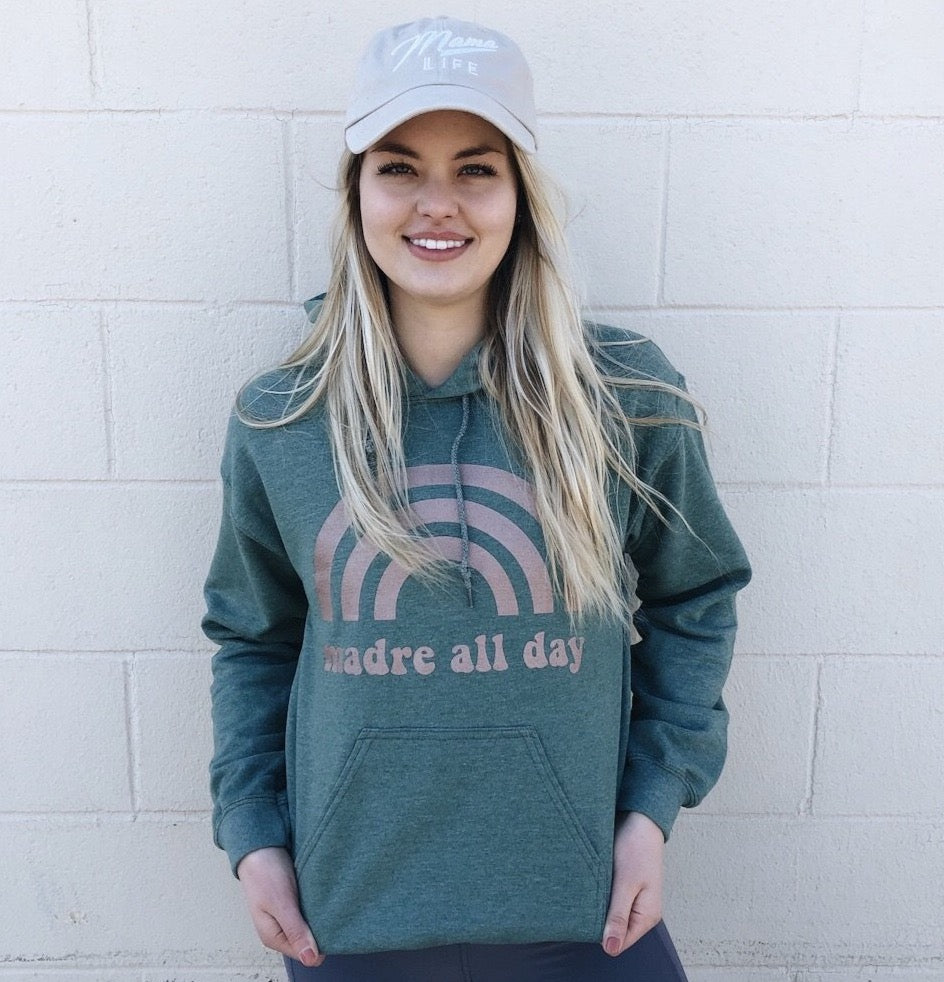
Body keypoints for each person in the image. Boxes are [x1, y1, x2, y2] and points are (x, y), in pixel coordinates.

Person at [202, 16, 751, 982]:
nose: (437, 204)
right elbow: (255, 641)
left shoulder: (627, 397)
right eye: (400, 166)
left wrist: (651, 810)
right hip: (351, 920)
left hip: (585, 914)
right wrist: (252, 835)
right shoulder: (281, 420)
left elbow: (694, 602)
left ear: (522, 194)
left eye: (477, 168)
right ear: (356, 191)